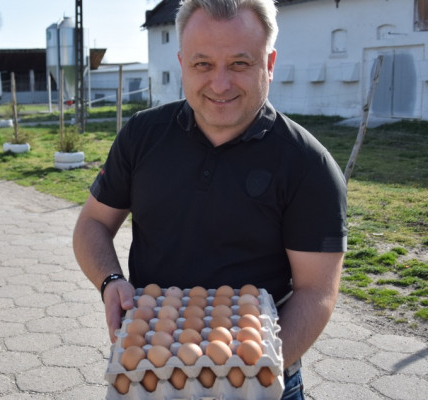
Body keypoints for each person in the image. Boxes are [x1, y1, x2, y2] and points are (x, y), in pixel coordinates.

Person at [72, 0, 347, 398]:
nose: (220, 84)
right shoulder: (142, 136)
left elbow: (316, 290)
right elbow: (93, 223)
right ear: (182, 63)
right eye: (203, 64)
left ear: (268, 64)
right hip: (152, 375)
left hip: (259, 380)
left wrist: (249, 379)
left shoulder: (308, 165)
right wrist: (109, 280)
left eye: (239, 64)